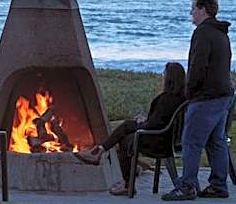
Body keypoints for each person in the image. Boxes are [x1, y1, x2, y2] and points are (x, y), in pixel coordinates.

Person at [162, 0, 235, 201]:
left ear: (203, 9)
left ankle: (187, 185)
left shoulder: (202, 33)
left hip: (206, 97)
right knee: (216, 140)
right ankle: (218, 185)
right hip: (222, 94)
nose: (191, 13)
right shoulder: (221, 33)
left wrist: (189, 92)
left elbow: (197, 66)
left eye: (193, 9)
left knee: (191, 141)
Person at [74, 62, 186, 195]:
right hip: (165, 139)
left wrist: (141, 123)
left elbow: (153, 125)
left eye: (164, 75)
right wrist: (144, 121)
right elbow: (160, 121)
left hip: (155, 140)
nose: (162, 77)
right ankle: (100, 152)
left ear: (169, 79)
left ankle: (123, 180)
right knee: (127, 128)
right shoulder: (181, 99)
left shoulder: (164, 99)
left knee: (126, 137)